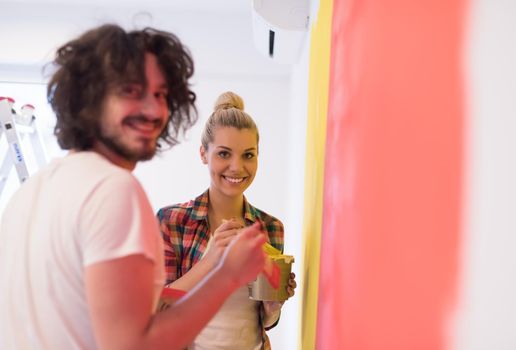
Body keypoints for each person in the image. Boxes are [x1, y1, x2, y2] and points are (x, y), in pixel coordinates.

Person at [0, 25, 268, 350]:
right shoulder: (112, 190)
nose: (154, 109)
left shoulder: (30, 191)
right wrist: (226, 274)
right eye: (131, 91)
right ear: (90, 96)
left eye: (161, 94)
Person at [157, 91, 296, 350]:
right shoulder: (172, 222)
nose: (236, 167)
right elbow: (158, 312)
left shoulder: (270, 228)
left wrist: (273, 305)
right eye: (224, 154)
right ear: (203, 154)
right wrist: (211, 260)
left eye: (248, 155)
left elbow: (264, 322)